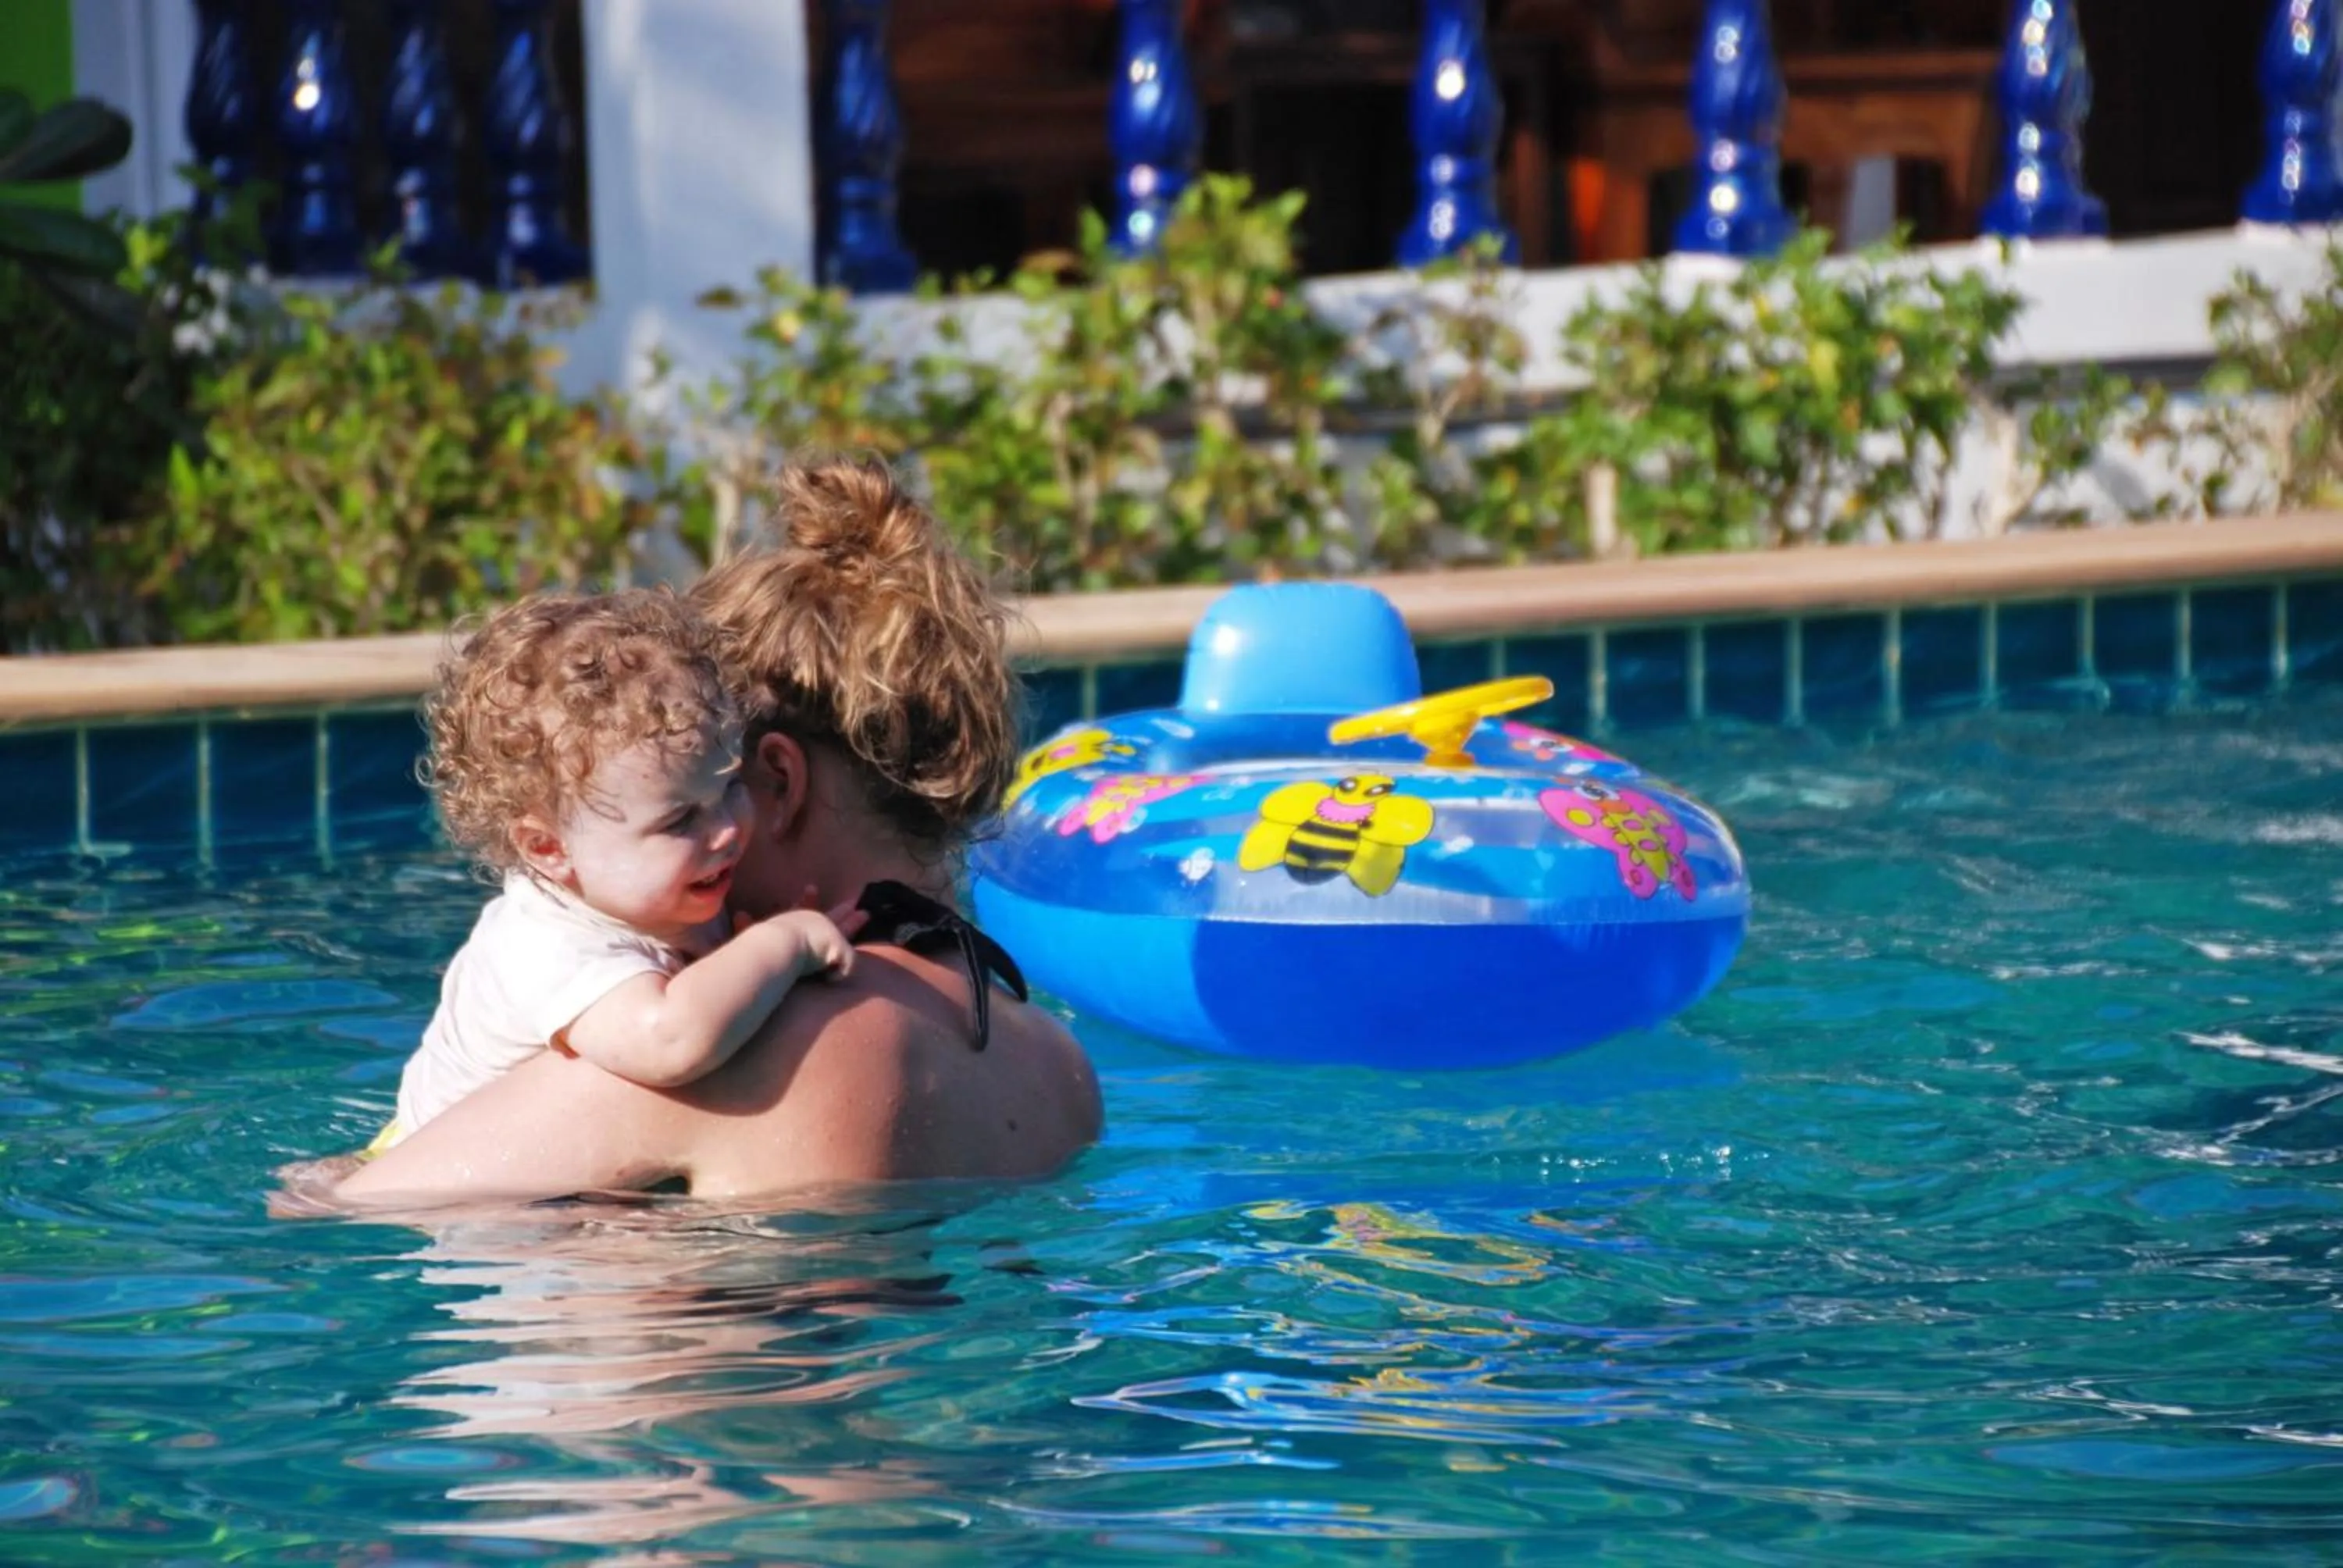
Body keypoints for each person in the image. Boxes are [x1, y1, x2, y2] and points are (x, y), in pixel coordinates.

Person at [318, 459, 1102, 1209]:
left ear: (779, 780)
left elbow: (352, 1207)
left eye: (718, 785)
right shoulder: (1058, 1065)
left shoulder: (739, 1052)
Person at [377, 589, 859, 1149]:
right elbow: (669, 1042)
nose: (727, 828)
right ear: (548, 849)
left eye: (730, 786)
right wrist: (785, 943)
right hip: (443, 1183)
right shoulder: (543, 947)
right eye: (681, 820)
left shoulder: (653, 888)